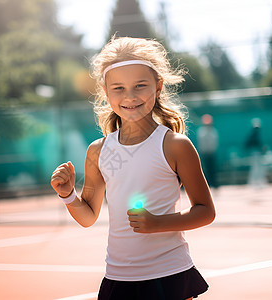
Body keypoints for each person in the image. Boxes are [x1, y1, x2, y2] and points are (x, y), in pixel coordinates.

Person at [51, 37, 215, 300]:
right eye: (118, 88)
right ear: (105, 91)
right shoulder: (98, 151)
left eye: (140, 86)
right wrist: (68, 194)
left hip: (170, 274)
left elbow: (205, 211)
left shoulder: (175, 146)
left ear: (158, 86)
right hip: (118, 278)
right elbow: (88, 216)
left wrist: (158, 223)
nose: (129, 96)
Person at [197, 114, 219, 189]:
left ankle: (214, 184)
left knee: (213, 169)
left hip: (212, 153)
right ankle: (207, 184)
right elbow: (202, 143)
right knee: (205, 170)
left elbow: (215, 143)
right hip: (205, 154)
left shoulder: (213, 131)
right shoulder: (201, 131)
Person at [245, 118, 267, 189]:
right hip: (255, 153)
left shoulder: (256, 134)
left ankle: (258, 183)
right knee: (256, 168)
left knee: (258, 168)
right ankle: (254, 183)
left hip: (257, 153)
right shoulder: (253, 134)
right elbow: (248, 144)